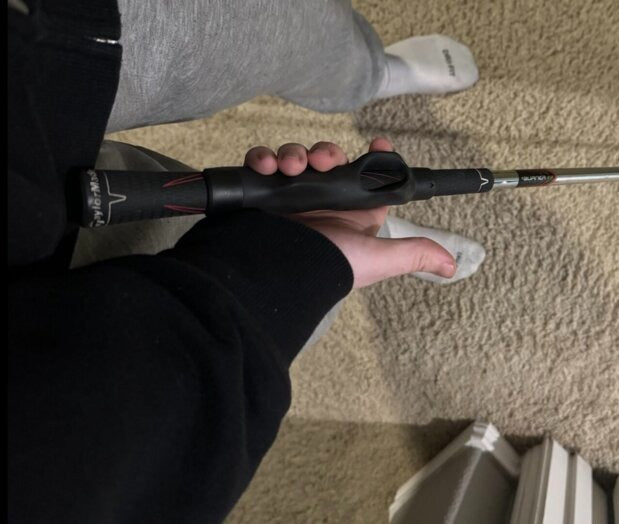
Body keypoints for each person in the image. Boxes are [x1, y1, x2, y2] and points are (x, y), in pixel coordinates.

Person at [8, 1, 483, 522]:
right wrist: (298, 262)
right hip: (61, 312)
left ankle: (369, 74)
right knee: (286, 284)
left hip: (37, 45)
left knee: (274, 20)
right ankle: (361, 228)